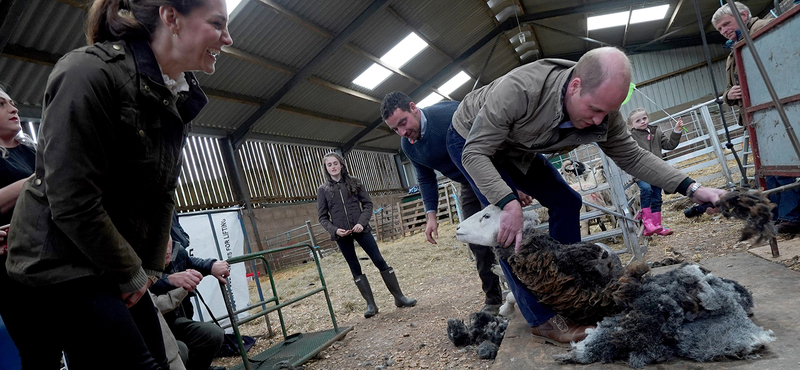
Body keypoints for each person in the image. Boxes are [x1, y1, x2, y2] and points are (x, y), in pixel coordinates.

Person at [4, 0, 233, 368]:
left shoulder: (176, 95)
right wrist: (132, 272)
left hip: (109, 259)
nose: (228, 38)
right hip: (60, 260)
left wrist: (150, 271)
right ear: (171, 17)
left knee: (159, 357)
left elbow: (163, 194)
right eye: (218, 23)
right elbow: (72, 200)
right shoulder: (88, 72)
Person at [446, 47, 726, 346]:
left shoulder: (603, 112)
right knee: (510, 233)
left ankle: (569, 290)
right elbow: (475, 153)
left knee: (568, 201)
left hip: (519, 149)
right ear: (575, 86)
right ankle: (544, 320)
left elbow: (633, 156)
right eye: (593, 110)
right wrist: (507, 201)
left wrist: (693, 188)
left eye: (606, 112)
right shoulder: (521, 89)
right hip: (472, 141)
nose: (598, 121)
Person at [380, 91, 527, 315]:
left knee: (507, 230)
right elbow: (425, 178)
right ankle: (493, 298)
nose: (402, 132)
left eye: (403, 122)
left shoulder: (450, 115)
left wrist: (511, 184)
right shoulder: (409, 146)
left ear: (413, 108)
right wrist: (431, 216)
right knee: (477, 238)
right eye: (395, 129)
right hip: (466, 181)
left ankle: (527, 291)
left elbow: (494, 140)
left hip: (492, 170)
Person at [712, 3, 799, 234]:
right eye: (719, 29)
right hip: (758, 118)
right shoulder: (734, 51)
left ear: (743, 15)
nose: (723, 30)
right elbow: (731, 88)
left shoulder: (763, 31)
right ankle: (779, 216)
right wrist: (728, 95)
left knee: (781, 165)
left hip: (776, 111)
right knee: (767, 169)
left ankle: (792, 216)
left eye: (726, 24)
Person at [316, 152, 416, 318]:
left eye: (335, 163)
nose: (333, 167)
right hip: (342, 235)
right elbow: (322, 217)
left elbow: (368, 204)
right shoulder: (323, 190)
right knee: (355, 267)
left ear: (341, 165)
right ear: (326, 168)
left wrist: (361, 223)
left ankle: (399, 297)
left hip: (361, 229)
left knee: (379, 260)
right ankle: (371, 305)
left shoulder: (355, 182)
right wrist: (334, 230)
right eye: (329, 164)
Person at [0, 87, 42, 367]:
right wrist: (40, 179)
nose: (13, 108)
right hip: (12, 267)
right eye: (1, 104)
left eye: (13, 103)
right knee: (38, 352)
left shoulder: (33, 151)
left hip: (51, 258)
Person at [149, 235, 227, 370]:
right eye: (158, 240)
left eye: (167, 239)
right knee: (180, 349)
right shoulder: (137, 266)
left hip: (175, 320)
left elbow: (188, 261)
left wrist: (211, 265)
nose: (166, 248)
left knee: (214, 334)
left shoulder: (177, 252)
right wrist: (169, 280)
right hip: (153, 328)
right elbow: (142, 288)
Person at [626, 108, 685, 236]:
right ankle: (647, 223)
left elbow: (669, 145)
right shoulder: (631, 136)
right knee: (646, 189)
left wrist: (676, 131)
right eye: (638, 120)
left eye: (644, 118)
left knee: (657, 197)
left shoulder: (656, 131)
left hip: (657, 170)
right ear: (631, 125)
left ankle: (657, 225)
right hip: (640, 170)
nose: (642, 121)